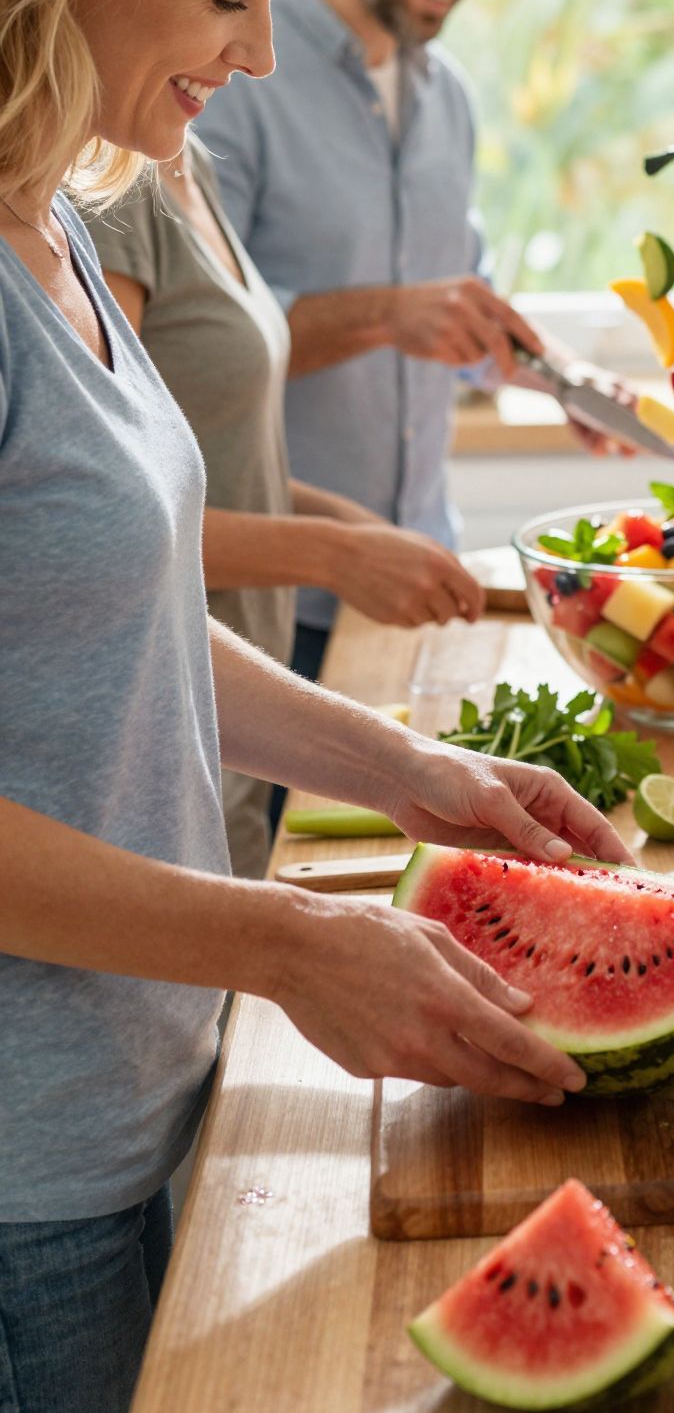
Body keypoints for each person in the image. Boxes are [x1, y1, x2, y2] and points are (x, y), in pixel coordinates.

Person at [0, 0, 630, 1413]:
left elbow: (125, 618)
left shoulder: (63, 227)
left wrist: (413, 774)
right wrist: (287, 939)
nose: (252, 52)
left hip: (135, 1078)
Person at [196, 0, 633, 684]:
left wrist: (559, 376)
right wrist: (388, 314)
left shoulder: (448, 100)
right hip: (271, 607)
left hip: (422, 579)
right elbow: (196, 352)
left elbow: (449, 315)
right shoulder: (227, 82)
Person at [90, 139, 485, 877]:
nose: (263, 57)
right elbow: (114, 529)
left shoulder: (189, 166)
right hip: (166, 720)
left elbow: (206, 468)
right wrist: (333, 556)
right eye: (229, 11)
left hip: (237, 715)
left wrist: (345, 521)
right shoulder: (107, 200)